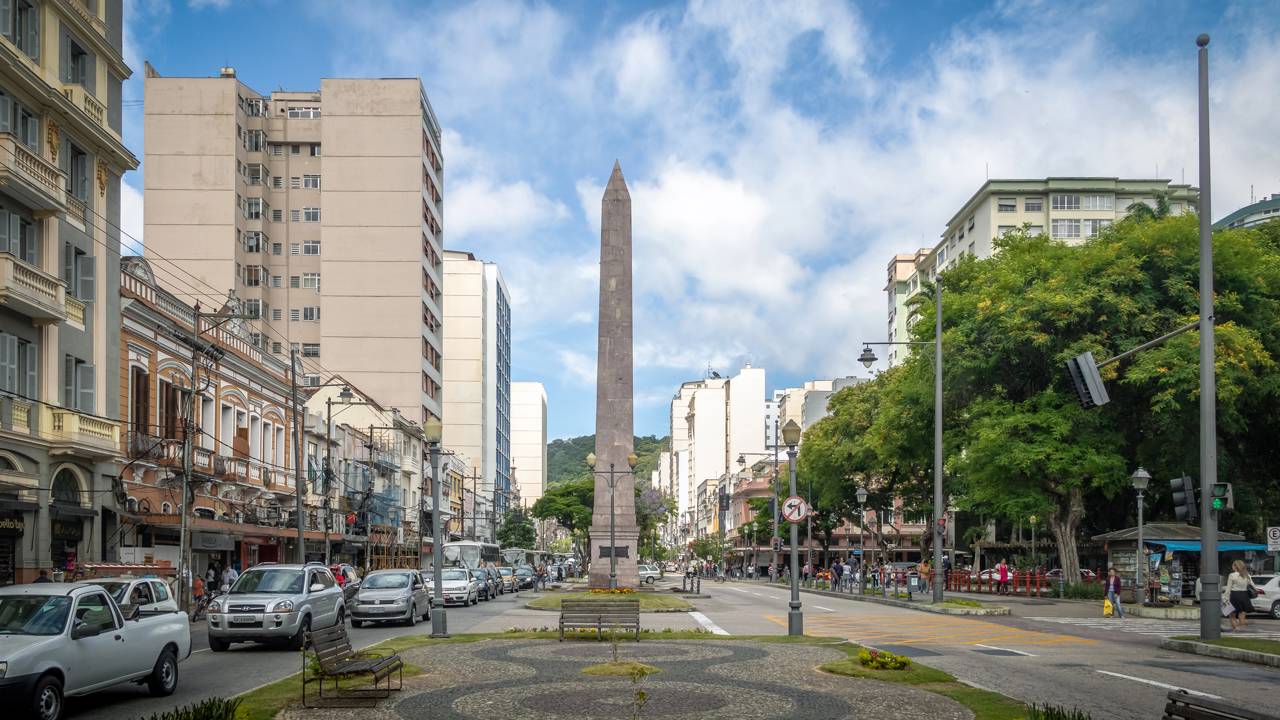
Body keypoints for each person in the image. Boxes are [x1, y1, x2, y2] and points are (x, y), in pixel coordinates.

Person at [1225, 560, 1256, 631]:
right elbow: (1253, 586)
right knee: (1241, 614)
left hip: (1235, 595)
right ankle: (1242, 625)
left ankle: (1235, 628)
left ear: (1235, 566)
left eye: (1233, 565)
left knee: (1232, 615)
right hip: (1244, 596)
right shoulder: (1247, 575)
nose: (1232, 567)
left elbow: (1228, 589)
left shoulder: (1232, 575)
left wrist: (1225, 598)